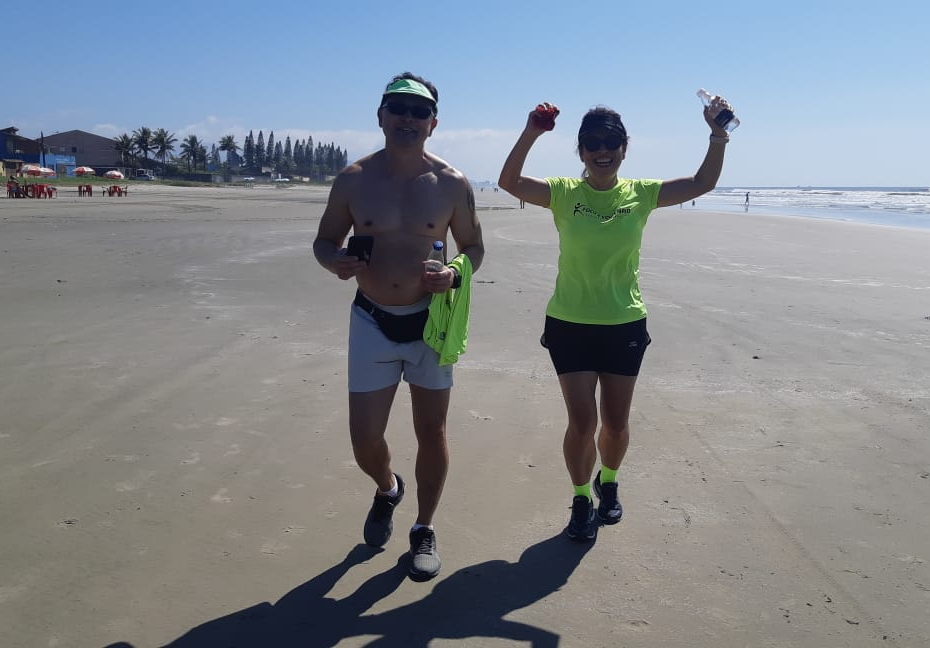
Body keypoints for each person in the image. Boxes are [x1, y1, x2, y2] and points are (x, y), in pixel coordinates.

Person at [498, 96, 731, 541]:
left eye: (611, 142)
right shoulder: (565, 194)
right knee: (582, 422)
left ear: (625, 148)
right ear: (581, 151)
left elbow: (703, 182)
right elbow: (509, 181)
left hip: (624, 323)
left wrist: (718, 134)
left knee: (616, 422)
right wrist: (532, 130)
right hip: (569, 322)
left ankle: (610, 482)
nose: (601, 150)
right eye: (591, 143)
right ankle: (582, 498)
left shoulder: (642, 194)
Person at [312, 72, 484, 579]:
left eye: (418, 111)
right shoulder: (353, 179)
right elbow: (324, 241)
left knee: (432, 431)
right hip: (371, 321)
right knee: (365, 438)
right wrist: (334, 261)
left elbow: (474, 246)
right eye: (398, 108)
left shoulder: (451, 183)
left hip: (432, 324)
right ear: (381, 115)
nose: (408, 118)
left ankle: (423, 528)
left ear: (433, 122)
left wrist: (454, 272)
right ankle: (388, 488)